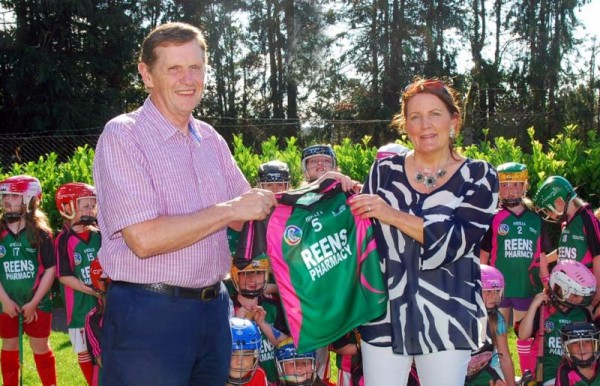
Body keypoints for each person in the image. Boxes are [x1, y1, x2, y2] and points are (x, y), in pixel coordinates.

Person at [93, 22, 277, 386]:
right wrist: (229, 210)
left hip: (213, 312)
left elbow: (250, 217)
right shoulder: (124, 135)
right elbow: (144, 239)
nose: (188, 79)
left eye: (196, 67)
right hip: (149, 315)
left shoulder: (209, 138)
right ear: (146, 74)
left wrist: (322, 195)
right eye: (173, 68)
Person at [336, 77, 499, 386]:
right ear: (405, 125)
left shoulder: (478, 175)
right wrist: (332, 189)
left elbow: (453, 243)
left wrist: (390, 213)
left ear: (454, 119)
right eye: (415, 116)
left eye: (435, 114)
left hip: (448, 316)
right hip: (384, 317)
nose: (425, 125)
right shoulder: (384, 171)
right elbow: (361, 237)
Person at [480, 162, 551, 376]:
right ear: (498, 189)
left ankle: (527, 376)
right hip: (496, 289)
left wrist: (547, 284)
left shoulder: (535, 220)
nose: (510, 190)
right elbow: (484, 255)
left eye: (515, 185)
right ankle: (497, 375)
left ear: (524, 186)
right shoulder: (492, 218)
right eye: (505, 185)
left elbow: (542, 257)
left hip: (525, 287)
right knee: (494, 334)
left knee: (524, 335)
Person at [0, 175, 57, 386]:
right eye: (5, 195)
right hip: (6, 303)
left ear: (30, 199)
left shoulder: (41, 233)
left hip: (38, 302)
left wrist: (34, 303)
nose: (7, 200)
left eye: (14, 195)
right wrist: (4, 300)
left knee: (41, 348)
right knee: (9, 346)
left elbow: (51, 269)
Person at [517, 260, 596, 386]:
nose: (581, 299)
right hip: (548, 375)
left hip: (575, 374)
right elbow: (522, 335)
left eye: (582, 295)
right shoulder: (543, 309)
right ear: (561, 288)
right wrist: (533, 306)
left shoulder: (583, 313)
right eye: (576, 294)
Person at [54, 182, 100, 385]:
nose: (90, 210)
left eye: (93, 205)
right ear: (67, 207)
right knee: (84, 352)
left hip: (104, 305)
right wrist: (91, 290)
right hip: (79, 306)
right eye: (85, 206)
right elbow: (63, 275)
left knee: (104, 348)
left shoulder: (100, 234)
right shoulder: (63, 240)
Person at [533, 176, 600, 307]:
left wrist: (598, 288)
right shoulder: (566, 222)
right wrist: (543, 260)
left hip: (584, 291)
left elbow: (598, 254)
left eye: (548, 209)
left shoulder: (587, 218)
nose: (549, 214)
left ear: (559, 201)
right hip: (567, 287)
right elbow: (563, 251)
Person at [230, 255, 289, 384]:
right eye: (246, 274)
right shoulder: (227, 307)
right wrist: (233, 322)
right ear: (236, 276)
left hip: (273, 380)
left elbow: (286, 345)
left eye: (258, 273)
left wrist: (263, 324)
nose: (252, 279)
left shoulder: (273, 307)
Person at [468, 264, 516, 386]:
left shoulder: (497, 318)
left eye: (497, 291)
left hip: (487, 367)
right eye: (488, 291)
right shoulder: (460, 318)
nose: (494, 296)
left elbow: (504, 356)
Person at [556, 322, 600, 386]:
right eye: (575, 343)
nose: (581, 347)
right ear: (567, 347)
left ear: (595, 344)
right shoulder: (565, 372)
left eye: (587, 341)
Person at [228, 317, 268, 386]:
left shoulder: (258, 375)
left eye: (247, 354)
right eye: (233, 354)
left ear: (255, 357)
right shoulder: (206, 376)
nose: (239, 362)